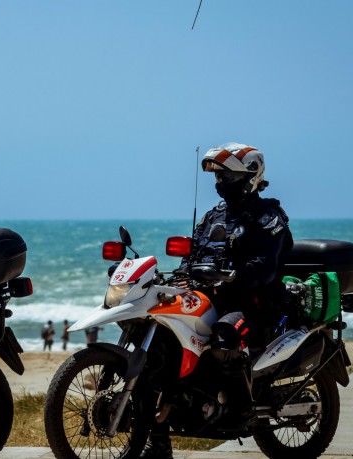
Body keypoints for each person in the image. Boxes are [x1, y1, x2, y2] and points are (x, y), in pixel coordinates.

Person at [140, 143, 293, 459]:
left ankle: (241, 410)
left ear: (250, 175)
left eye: (227, 176)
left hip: (252, 305)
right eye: (218, 176)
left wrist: (233, 275)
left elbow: (265, 268)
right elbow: (192, 256)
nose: (221, 183)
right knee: (159, 345)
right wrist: (181, 276)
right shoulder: (213, 216)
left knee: (225, 334)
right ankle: (158, 441)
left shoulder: (268, 216)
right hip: (206, 299)